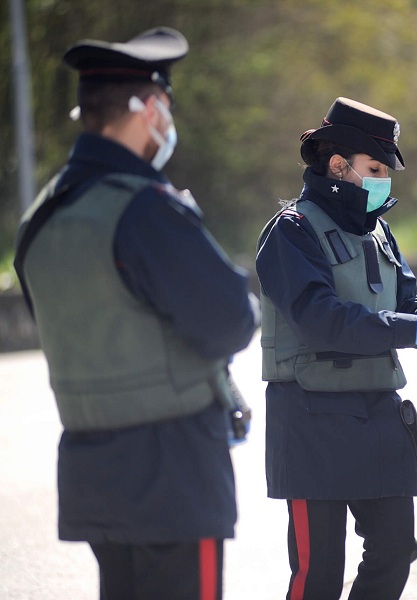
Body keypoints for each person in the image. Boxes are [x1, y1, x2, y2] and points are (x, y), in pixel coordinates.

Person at [13, 27, 260, 600]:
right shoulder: (144, 209)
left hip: (93, 469)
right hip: (173, 471)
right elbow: (231, 320)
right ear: (149, 109)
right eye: (165, 108)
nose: (168, 123)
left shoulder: (40, 219)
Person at [255, 97, 417, 600]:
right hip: (311, 419)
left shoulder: (379, 232)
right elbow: (322, 320)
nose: (384, 182)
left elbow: (409, 305)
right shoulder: (292, 231)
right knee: (318, 575)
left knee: (395, 552)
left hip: (377, 413)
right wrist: (410, 331)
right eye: (375, 169)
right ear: (338, 166)